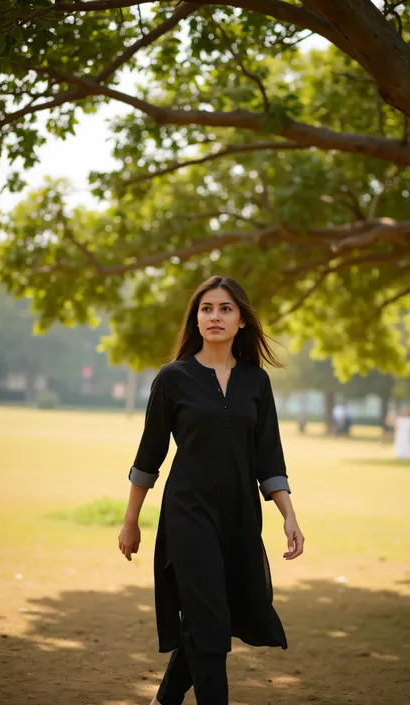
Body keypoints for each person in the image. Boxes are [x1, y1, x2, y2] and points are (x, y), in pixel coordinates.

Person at [118, 275, 305, 705]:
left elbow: (269, 457)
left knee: (210, 620)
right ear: (196, 319)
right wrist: (131, 521)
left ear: (241, 320)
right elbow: (149, 457)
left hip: (239, 515)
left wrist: (288, 514)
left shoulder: (257, 383)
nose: (214, 316)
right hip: (188, 512)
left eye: (225, 308)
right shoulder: (172, 379)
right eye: (206, 309)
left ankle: (164, 699)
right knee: (210, 622)